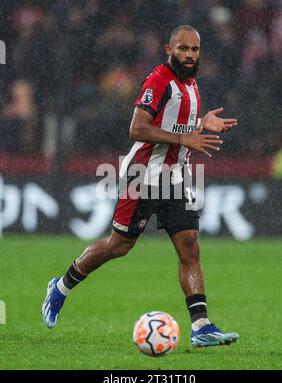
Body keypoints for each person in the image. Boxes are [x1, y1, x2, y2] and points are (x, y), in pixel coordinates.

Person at [42, 25, 239, 347]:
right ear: (168, 49)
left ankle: (201, 326)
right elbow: (138, 128)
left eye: (195, 50)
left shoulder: (190, 84)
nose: (189, 55)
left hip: (176, 176)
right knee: (118, 246)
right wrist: (185, 137)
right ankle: (60, 287)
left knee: (190, 246)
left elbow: (175, 123)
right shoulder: (158, 80)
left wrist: (202, 123)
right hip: (143, 175)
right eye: (183, 49)